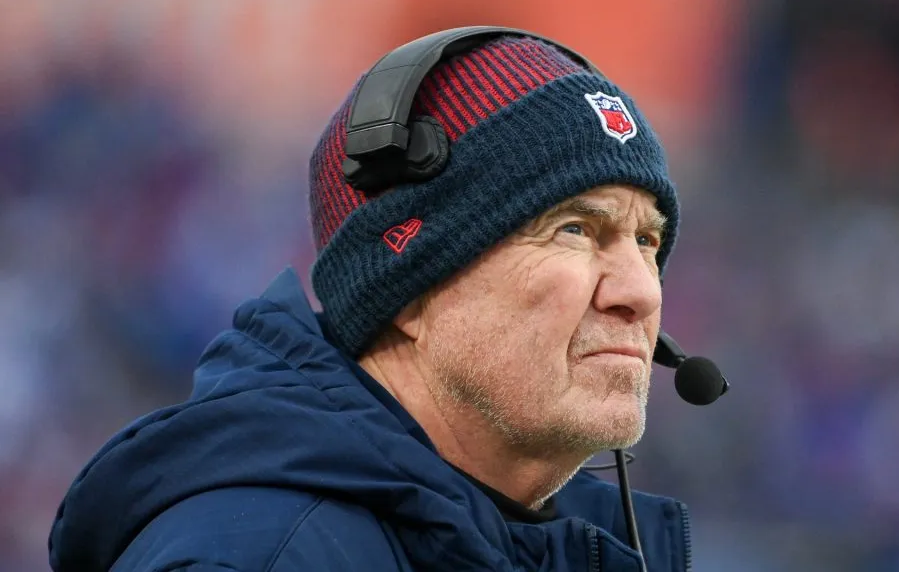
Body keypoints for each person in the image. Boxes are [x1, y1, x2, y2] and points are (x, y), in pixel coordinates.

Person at [49, 30, 693, 572]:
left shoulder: (564, 544)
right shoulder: (263, 557)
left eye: (646, 240)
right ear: (408, 291)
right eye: (576, 229)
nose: (640, 290)